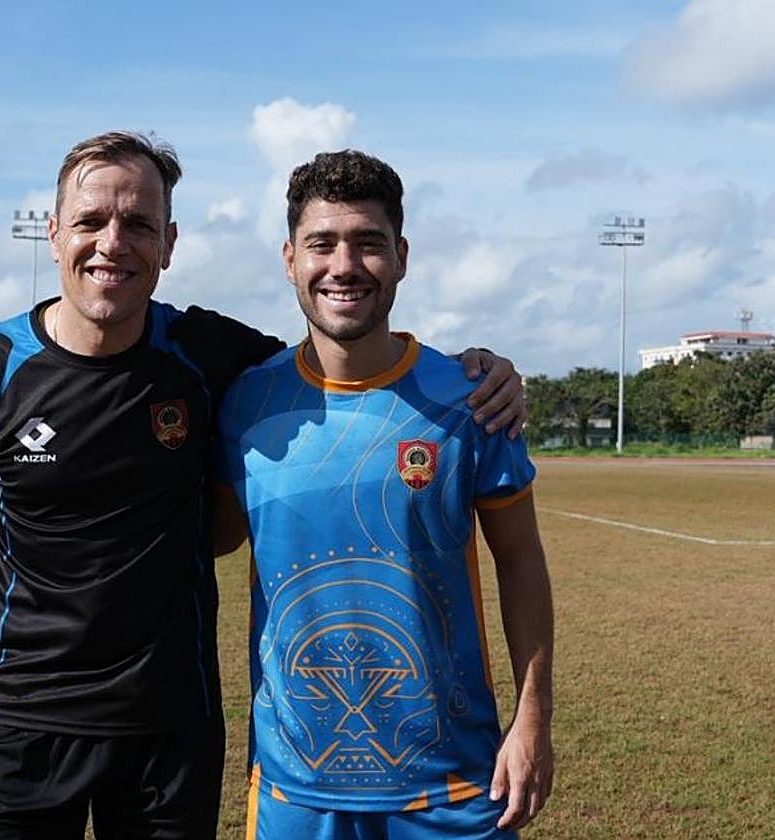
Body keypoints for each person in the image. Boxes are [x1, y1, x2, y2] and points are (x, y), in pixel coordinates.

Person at [0, 131, 528, 839]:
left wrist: (480, 370)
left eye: (138, 224)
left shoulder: (209, 357)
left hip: (171, 734)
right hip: (21, 725)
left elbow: (341, 347)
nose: (113, 243)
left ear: (168, 243)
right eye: (90, 222)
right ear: (53, 235)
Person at [214, 150, 554, 839]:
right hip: (295, 787)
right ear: (289, 258)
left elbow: (521, 564)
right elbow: (207, 539)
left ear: (400, 255)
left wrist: (533, 720)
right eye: (322, 243)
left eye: (367, 243)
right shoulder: (247, 401)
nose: (344, 265)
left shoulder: (471, 399)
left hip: (455, 784)